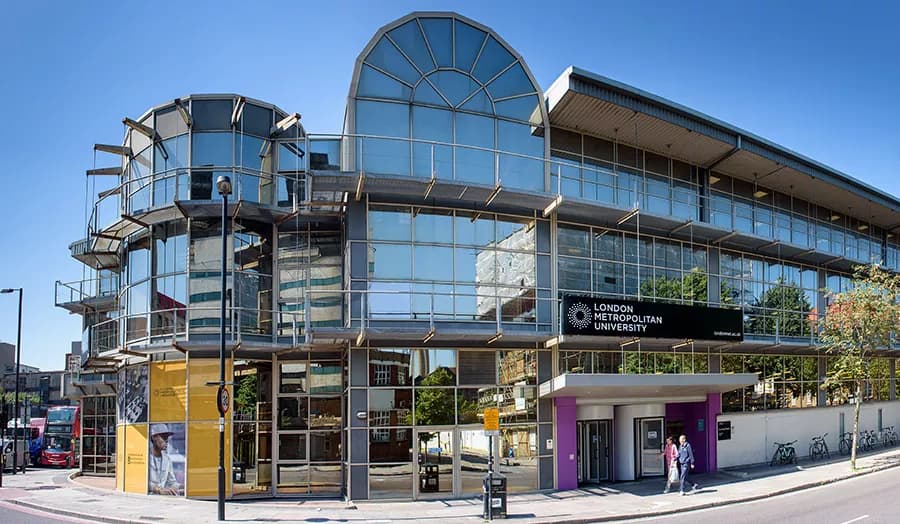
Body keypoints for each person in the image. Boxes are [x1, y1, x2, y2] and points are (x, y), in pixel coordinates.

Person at [149, 424, 181, 496]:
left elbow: (171, 483)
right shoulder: (145, 457)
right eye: (163, 437)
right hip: (147, 499)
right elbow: (141, 482)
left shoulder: (167, 459)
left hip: (162, 500)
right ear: (154, 437)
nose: (166, 441)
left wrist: (184, 486)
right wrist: (158, 490)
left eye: (167, 438)